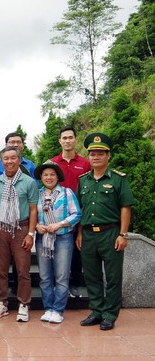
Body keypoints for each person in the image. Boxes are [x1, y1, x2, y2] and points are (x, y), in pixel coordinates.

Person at [77, 133, 133, 331]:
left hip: (111, 233)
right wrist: (80, 233)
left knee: (113, 276)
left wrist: (123, 234)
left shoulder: (118, 180)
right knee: (91, 276)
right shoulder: (83, 181)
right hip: (89, 234)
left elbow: (125, 207)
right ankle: (96, 311)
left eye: (100, 153)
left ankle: (110, 314)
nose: (96, 157)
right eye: (92, 154)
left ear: (108, 156)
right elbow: (80, 210)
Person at [0, 146, 38, 322]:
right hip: (2, 229)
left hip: (21, 228)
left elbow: (34, 210)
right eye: (5, 159)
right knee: (0, 269)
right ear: (1, 162)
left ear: (19, 160)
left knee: (23, 269)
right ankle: (1, 303)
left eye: (12, 158)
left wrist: (31, 234)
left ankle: (24, 304)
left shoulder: (29, 182)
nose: (9, 162)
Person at [34, 160, 81, 324]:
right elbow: (30, 215)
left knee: (61, 276)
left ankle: (58, 309)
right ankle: (48, 308)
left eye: (52, 174)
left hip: (63, 238)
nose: (48, 177)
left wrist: (59, 224)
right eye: (45, 174)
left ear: (57, 176)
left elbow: (77, 214)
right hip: (43, 239)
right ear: (41, 177)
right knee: (45, 276)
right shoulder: (37, 194)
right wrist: (36, 226)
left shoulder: (67, 193)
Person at [50, 125, 90, 299]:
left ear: (76, 139)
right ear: (59, 140)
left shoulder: (85, 164)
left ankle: (73, 283)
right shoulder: (52, 163)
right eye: (64, 138)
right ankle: (54, 283)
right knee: (53, 251)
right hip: (56, 214)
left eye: (70, 137)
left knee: (76, 250)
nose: (67, 141)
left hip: (77, 213)